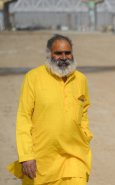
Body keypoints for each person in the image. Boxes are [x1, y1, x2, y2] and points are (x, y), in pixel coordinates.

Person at [7, 34, 93, 185]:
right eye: (58, 53)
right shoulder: (33, 77)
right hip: (42, 160)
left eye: (67, 52)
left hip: (75, 156)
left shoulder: (81, 79)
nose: (64, 57)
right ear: (49, 54)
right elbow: (24, 117)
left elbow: (84, 111)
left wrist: (85, 134)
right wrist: (26, 156)